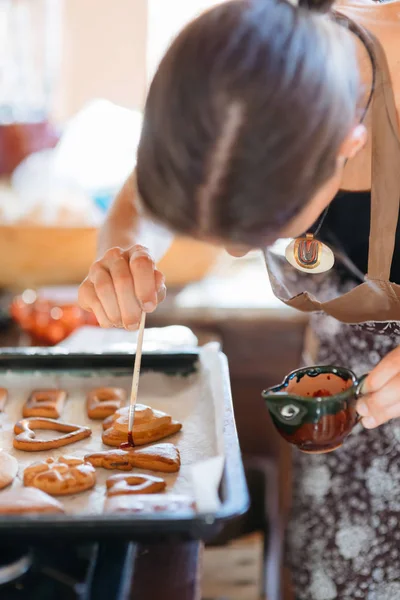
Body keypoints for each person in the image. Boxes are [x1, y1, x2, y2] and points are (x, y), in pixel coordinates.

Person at [78, 1, 400, 598]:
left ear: (348, 147)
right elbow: (137, 201)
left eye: (253, 237)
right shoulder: (250, 73)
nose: (231, 255)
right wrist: (122, 251)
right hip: (347, 401)